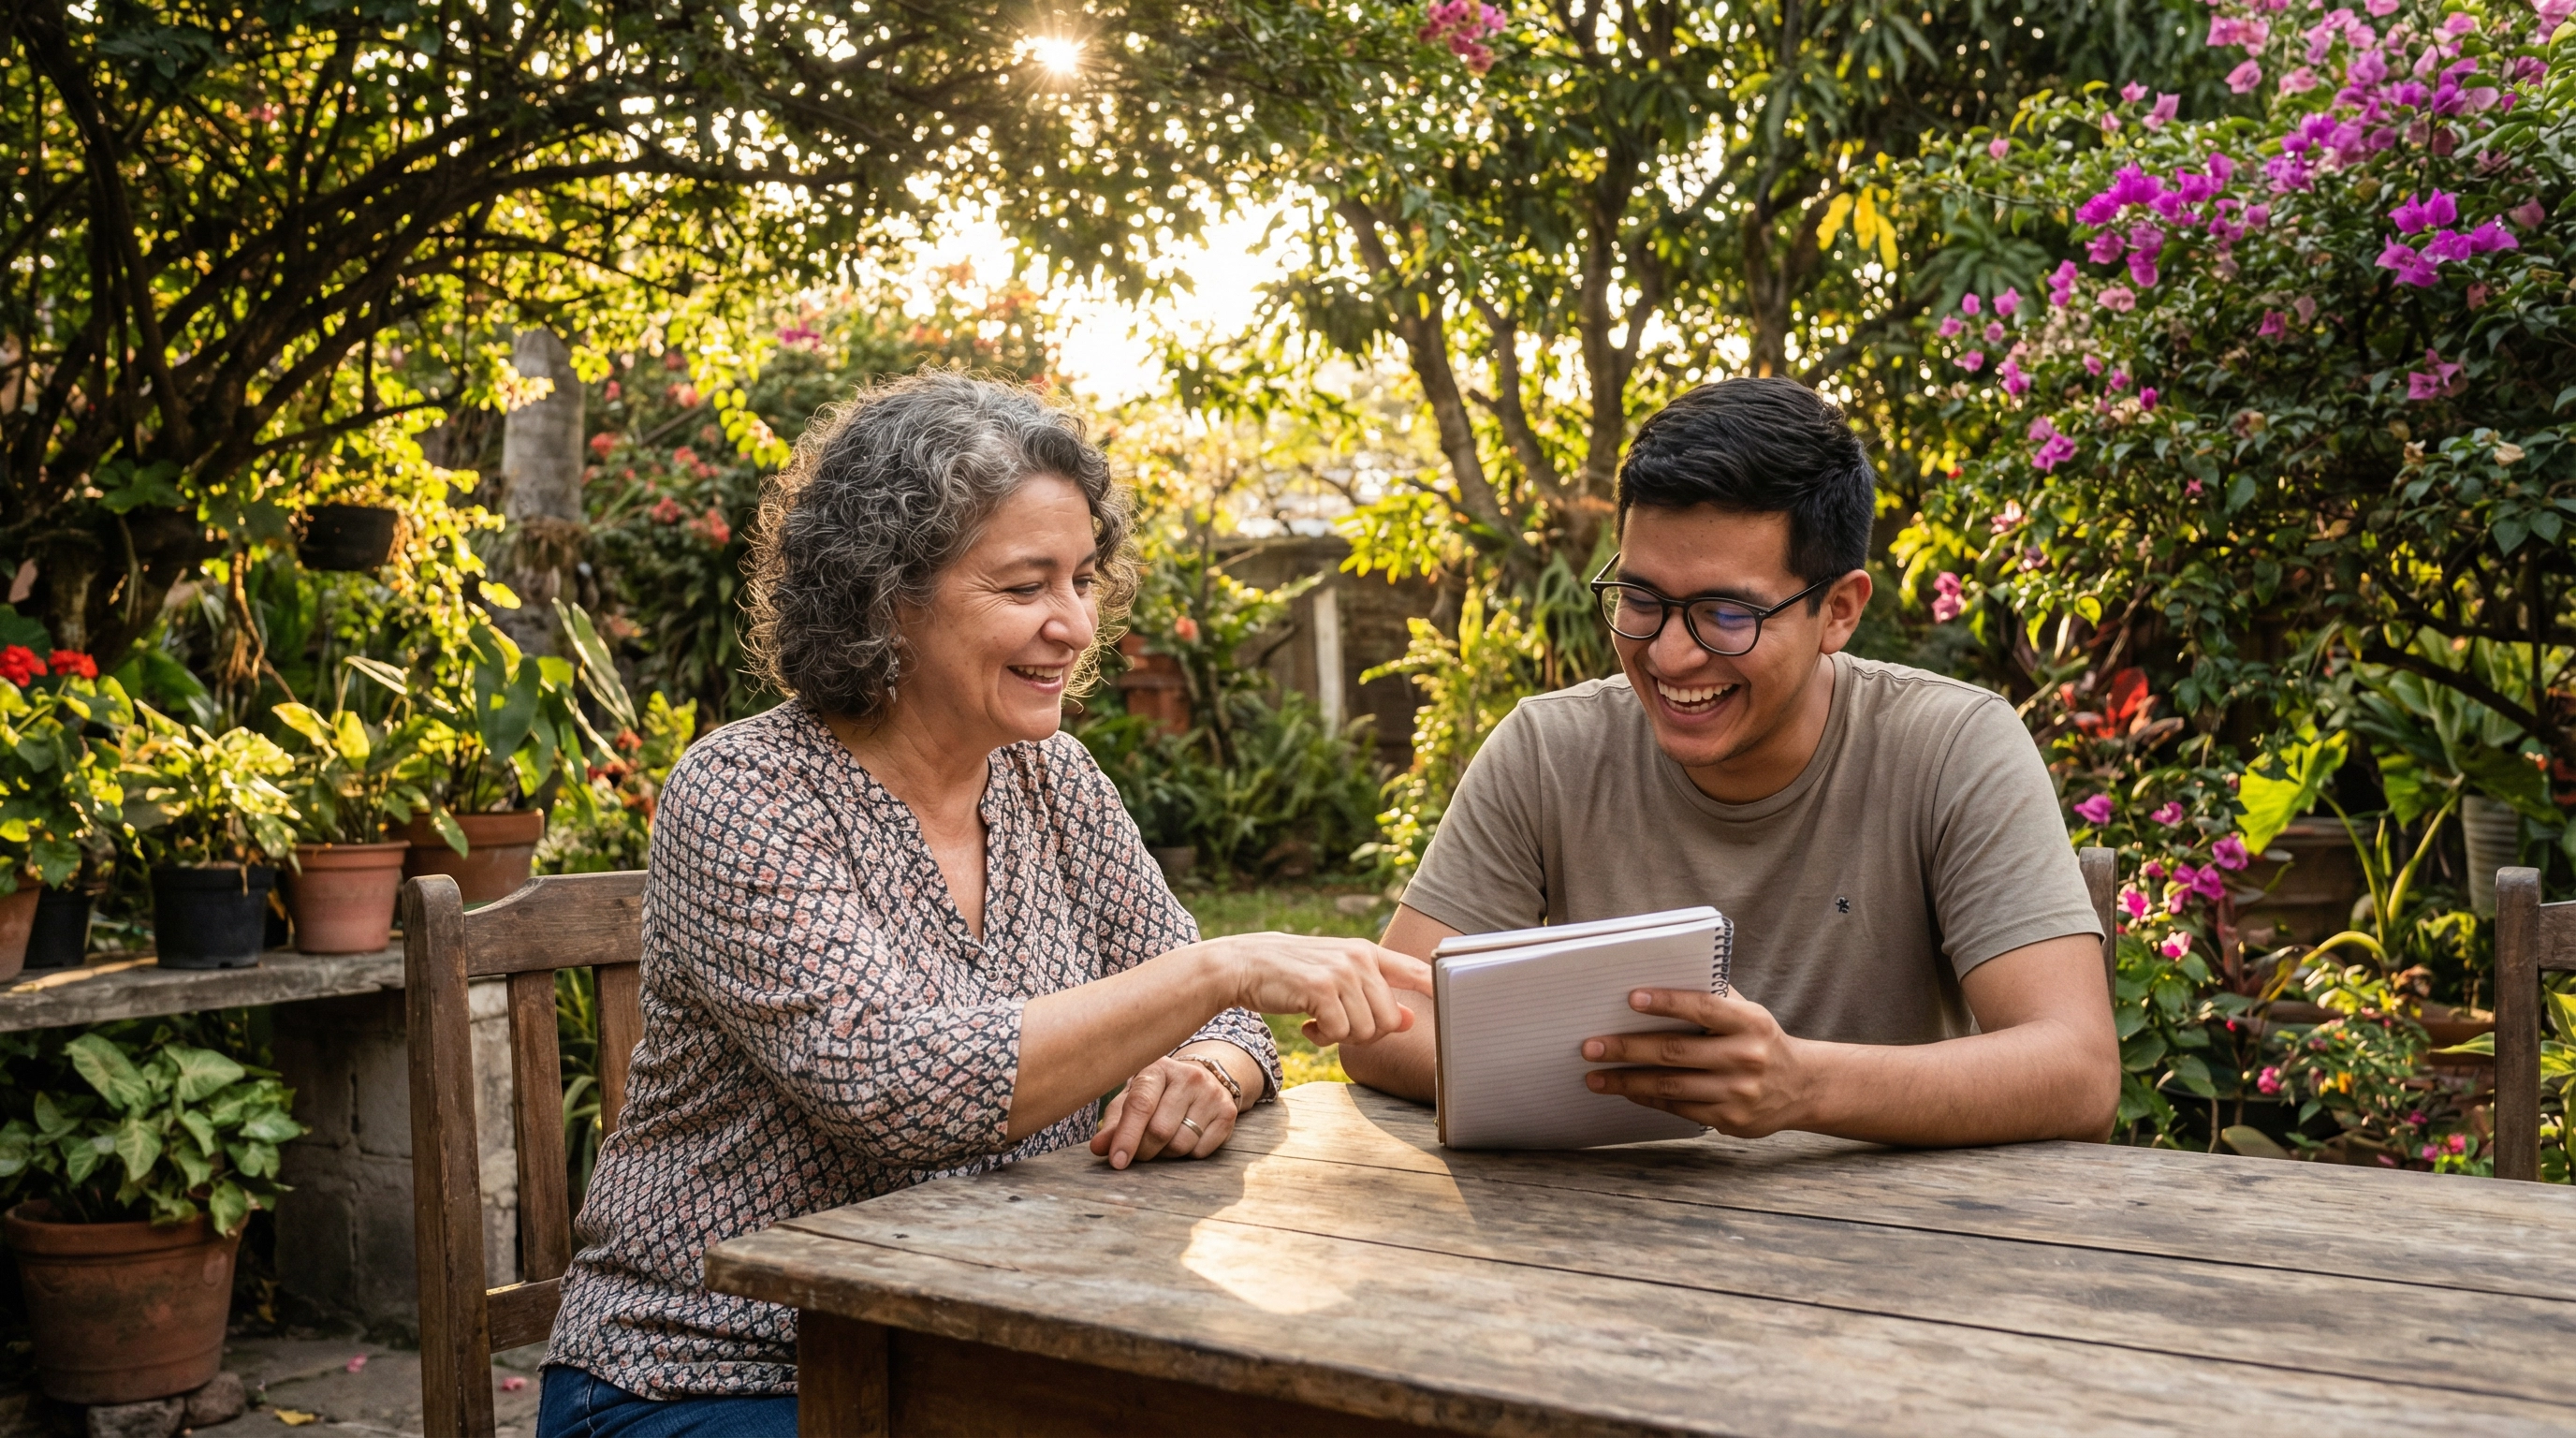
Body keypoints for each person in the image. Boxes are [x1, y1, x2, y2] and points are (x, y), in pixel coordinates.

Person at [539, 372, 1429, 1438]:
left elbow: (1231, 1028)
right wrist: (1218, 969)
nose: (1076, 625)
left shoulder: (1053, 781)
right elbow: (894, 1089)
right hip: (707, 1370)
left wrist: (1208, 1070)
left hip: (977, 1346)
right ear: (886, 596)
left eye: (1083, 580)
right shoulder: (744, 794)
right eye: (1023, 587)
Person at [1339, 377, 2118, 1147]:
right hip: (1603, 1213)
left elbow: (2077, 1069)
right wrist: (1634, 1081)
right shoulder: (1549, 749)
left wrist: (1802, 1086)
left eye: (1725, 613)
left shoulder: (1954, 747)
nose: (1670, 656)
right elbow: (1386, 1020)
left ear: (1838, 610)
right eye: (1642, 600)